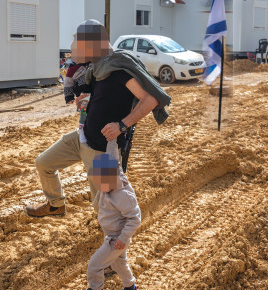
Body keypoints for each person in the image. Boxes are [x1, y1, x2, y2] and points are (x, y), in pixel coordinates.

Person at [26, 19, 171, 217]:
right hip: (83, 138)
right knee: (44, 163)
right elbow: (107, 96)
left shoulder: (119, 69)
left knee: (106, 208)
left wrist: (122, 125)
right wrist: (88, 99)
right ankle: (56, 204)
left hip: (104, 150)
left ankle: (115, 244)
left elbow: (150, 99)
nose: (75, 48)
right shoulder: (99, 67)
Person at [75, 152, 141, 290]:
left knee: (95, 265)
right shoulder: (111, 179)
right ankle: (130, 288)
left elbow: (135, 218)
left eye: (101, 179)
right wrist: (111, 137)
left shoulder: (123, 195)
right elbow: (113, 156)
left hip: (116, 239)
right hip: (113, 236)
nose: (98, 183)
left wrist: (122, 239)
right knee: (119, 263)